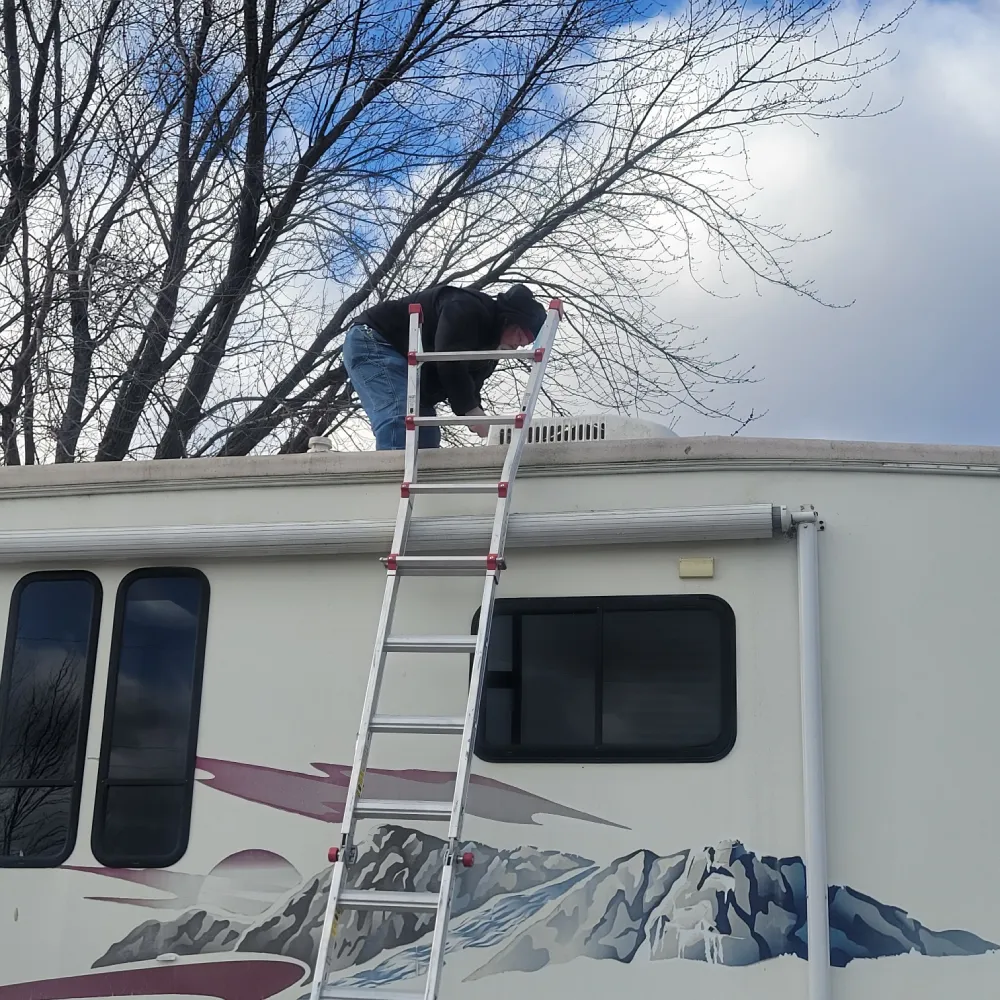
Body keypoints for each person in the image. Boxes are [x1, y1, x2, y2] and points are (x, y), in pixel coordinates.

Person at [342, 283, 548, 450]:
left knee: (427, 433)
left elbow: (468, 388)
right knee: (401, 418)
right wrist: (471, 412)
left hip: (412, 368)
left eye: (526, 342)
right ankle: (392, 482)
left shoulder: (488, 355)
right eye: (520, 335)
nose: (519, 344)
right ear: (507, 320)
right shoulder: (467, 308)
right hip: (376, 341)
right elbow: (448, 359)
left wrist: (479, 419)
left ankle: (420, 487)